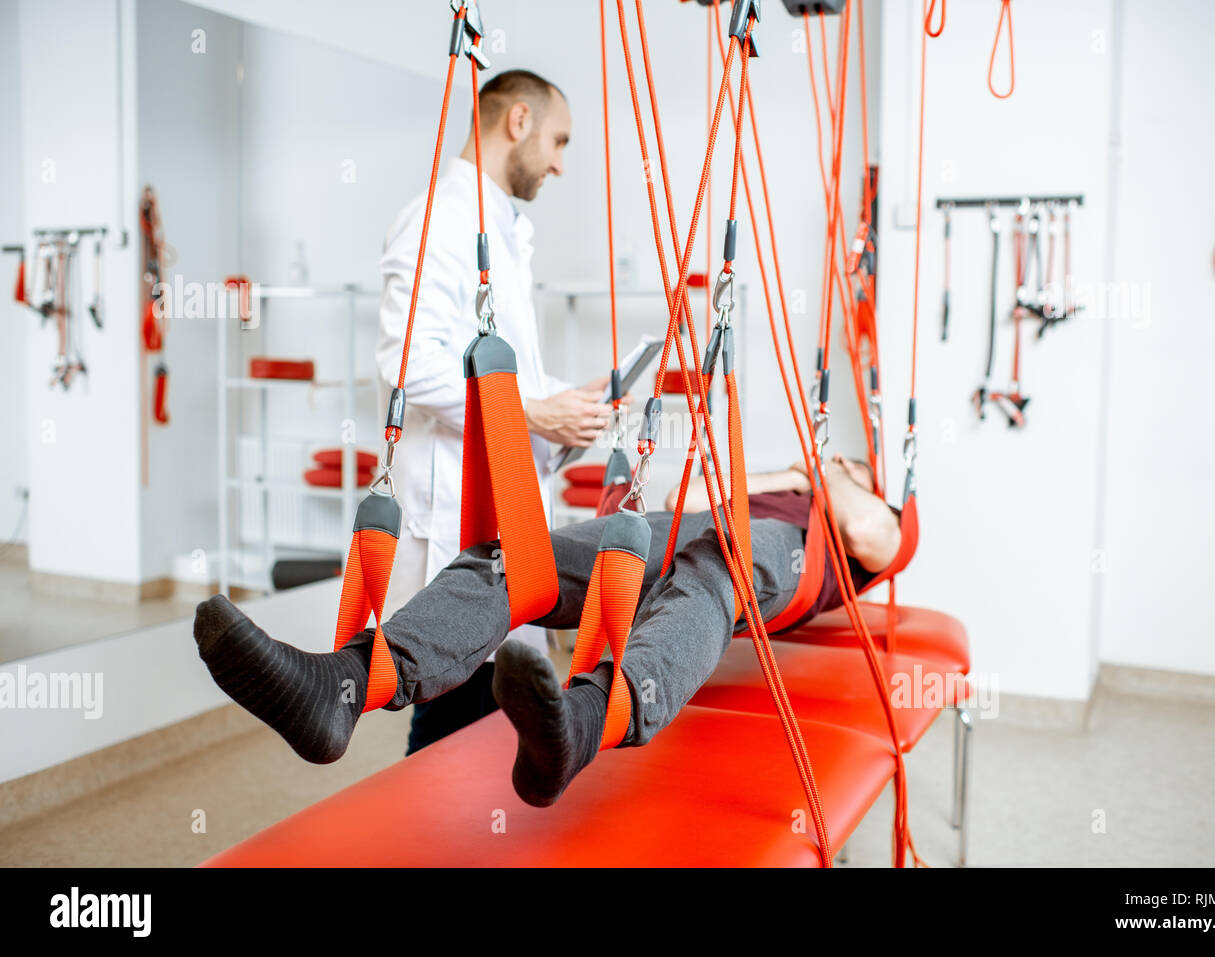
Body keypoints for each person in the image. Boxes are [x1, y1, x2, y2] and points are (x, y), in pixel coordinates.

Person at [193, 452, 899, 807]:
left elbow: (873, 534)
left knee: (720, 568)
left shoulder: (866, 516)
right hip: (695, 525)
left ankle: (586, 719)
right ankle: (346, 684)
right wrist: (797, 468)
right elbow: (719, 475)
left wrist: (828, 467)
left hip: (776, 552)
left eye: (851, 469)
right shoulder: (795, 480)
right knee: (515, 560)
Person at [375, 69, 612, 751]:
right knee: (453, 718)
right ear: (517, 120)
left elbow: (510, 377)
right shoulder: (435, 219)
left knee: (486, 724)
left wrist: (568, 406)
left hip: (506, 516)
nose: (561, 163)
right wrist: (537, 413)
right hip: (457, 514)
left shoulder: (500, 229)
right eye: (558, 141)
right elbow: (408, 363)